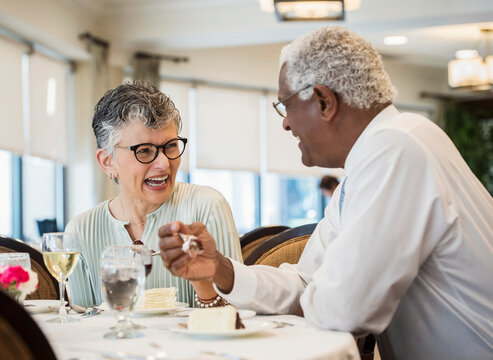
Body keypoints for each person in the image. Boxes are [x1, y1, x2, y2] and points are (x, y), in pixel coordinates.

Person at [158, 26, 493, 360]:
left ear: (323, 101)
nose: (285, 124)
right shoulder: (382, 153)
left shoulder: (395, 149)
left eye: (285, 106)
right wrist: (222, 269)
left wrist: (318, 295)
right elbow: (309, 283)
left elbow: (342, 309)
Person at [66, 81, 242, 307]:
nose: (164, 164)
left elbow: (236, 316)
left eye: (170, 146)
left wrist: (204, 284)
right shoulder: (81, 231)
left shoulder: (207, 207)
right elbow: (82, 324)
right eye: (145, 151)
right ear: (108, 162)